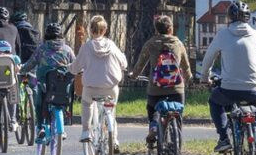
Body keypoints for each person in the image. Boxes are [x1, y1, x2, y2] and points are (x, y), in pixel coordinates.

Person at [201, 1, 256, 155]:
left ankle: (224, 138)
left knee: (215, 102)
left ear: (229, 18)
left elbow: (209, 57)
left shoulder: (223, 34)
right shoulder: (255, 35)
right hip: (254, 89)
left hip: (229, 89)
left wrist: (204, 77)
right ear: (248, 18)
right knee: (255, 122)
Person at [131, 15, 193, 147]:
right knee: (178, 118)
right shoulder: (178, 44)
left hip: (156, 88)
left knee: (152, 109)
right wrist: (189, 79)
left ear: (156, 29)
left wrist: (133, 75)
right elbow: (186, 66)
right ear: (171, 28)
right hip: (176, 88)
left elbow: (140, 64)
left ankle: (153, 127)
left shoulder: (151, 43)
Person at [70, 15, 127, 147]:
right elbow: (124, 63)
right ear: (105, 30)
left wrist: (70, 68)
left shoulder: (86, 47)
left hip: (91, 87)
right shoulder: (112, 46)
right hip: (111, 87)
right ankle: (114, 140)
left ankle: (85, 131)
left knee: (86, 104)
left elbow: (76, 67)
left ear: (90, 30)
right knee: (111, 110)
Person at [22, 23, 75, 143]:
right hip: (63, 87)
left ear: (46, 35)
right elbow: (75, 65)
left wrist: (21, 70)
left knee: (39, 103)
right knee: (64, 99)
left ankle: (40, 126)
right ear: (61, 35)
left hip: (45, 86)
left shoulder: (42, 49)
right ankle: (63, 122)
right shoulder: (67, 50)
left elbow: (30, 64)